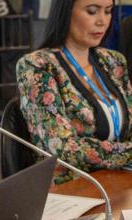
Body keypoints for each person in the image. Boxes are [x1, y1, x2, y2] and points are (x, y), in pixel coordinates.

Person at [16, 0, 132, 184]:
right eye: (92, 11)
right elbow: (61, 147)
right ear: (65, 12)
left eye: (108, 11)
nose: (102, 21)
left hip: (118, 178)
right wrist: (127, 153)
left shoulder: (113, 61)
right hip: (70, 189)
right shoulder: (37, 66)